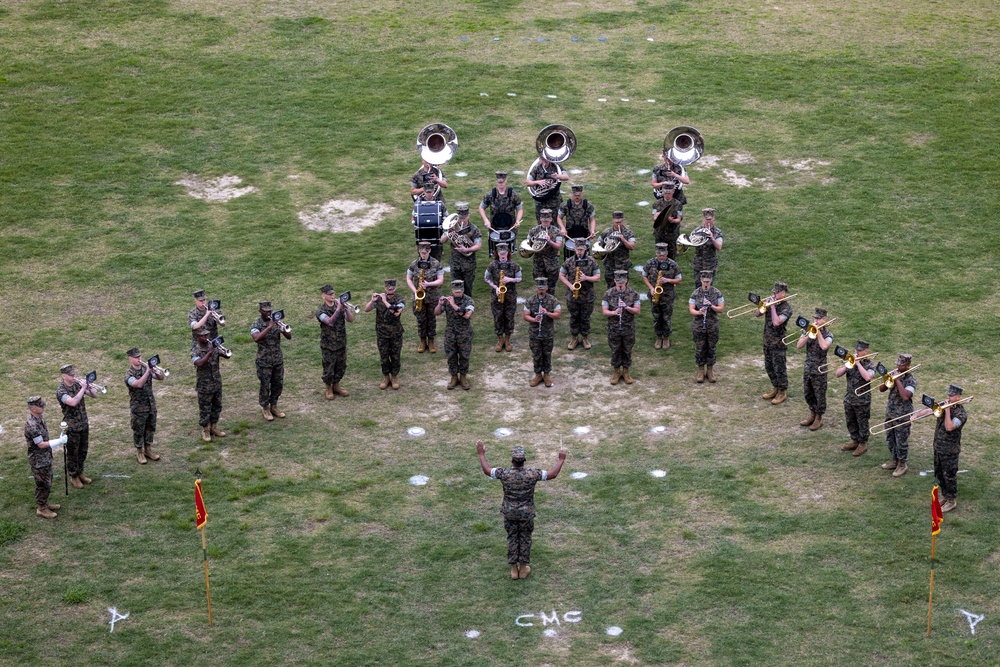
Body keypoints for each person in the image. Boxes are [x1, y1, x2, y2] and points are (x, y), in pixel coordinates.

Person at [476, 441, 566, 580]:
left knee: (512, 537)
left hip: (509, 512)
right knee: (525, 538)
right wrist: (561, 459)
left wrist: (481, 454)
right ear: (524, 460)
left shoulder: (504, 473)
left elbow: (487, 470)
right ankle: (523, 569)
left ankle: (513, 570)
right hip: (526, 513)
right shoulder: (533, 474)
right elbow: (552, 474)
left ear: (512, 461)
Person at [912, 384, 968, 512]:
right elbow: (930, 410)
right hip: (938, 446)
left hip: (950, 450)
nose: (948, 397)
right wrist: (917, 415)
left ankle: (951, 500)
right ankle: (945, 496)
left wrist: (947, 411)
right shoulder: (943, 404)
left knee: (949, 475)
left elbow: (949, 427)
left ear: (958, 397)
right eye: (948, 394)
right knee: (939, 473)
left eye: (951, 395)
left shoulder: (961, 414)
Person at [56, 364, 99, 489]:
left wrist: (89, 388)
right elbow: (73, 402)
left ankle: (80, 472)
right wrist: (82, 388)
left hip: (83, 423)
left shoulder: (77, 385)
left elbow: (94, 395)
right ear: (64, 376)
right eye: (71, 375)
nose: (74, 376)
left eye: (74, 374)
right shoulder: (61, 391)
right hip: (72, 426)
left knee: (83, 450)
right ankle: (74, 476)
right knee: (72, 453)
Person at [24, 396, 66, 519]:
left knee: (48, 481)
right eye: (40, 405)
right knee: (42, 484)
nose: (43, 407)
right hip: (38, 460)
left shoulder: (39, 419)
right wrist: (59, 441)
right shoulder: (32, 426)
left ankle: (45, 503)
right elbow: (41, 444)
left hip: (45, 457)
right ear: (33, 408)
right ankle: (41, 508)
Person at [125, 347, 167, 464]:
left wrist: (156, 371)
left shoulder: (145, 368)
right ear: (130, 359)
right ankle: (139, 452)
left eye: (140, 356)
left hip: (150, 405)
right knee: (139, 430)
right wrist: (148, 371)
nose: (139, 359)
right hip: (138, 408)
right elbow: (138, 384)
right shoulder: (129, 374)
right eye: (136, 357)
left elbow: (161, 378)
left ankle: (148, 450)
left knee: (150, 428)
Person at [251, 301, 292, 421]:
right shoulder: (256, 325)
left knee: (278, 383)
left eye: (270, 311)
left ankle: (274, 405)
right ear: (260, 311)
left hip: (277, 359)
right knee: (265, 385)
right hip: (264, 361)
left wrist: (282, 328)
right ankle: (265, 408)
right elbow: (256, 338)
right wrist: (269, 327)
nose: (268, 313)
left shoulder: (277, 322)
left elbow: (289, 336)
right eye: (265, 311)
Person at [558, 237, 601, 350]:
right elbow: (561, 275)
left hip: (587, 296)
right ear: (574, 248)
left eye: (582, 249)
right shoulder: (568, 261)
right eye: (578, 249)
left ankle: (585, 338)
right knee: (574, 317)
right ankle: (574, 337)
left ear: (586, 248)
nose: (580, 252)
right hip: (572, 296)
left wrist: (586, 278)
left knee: (585, 318)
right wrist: (570, 286)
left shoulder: (592, 262)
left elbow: (598, 278)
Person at [834, 340, 875, 456]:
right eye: (856, 350)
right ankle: (854, 440)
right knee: (850, 421)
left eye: (860, 350)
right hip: (850, 397)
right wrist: (847, 365)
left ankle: (863, 443)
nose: (857, 352)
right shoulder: (849, 360)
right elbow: (837, 374)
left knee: (862, 422)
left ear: (866, 351)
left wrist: (857, 364)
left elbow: (867, 377)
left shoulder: (870, 365)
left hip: (862, 400)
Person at [879, 353, 917, 477]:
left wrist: (898, 380)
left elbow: (906, 396)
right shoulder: (894, 374)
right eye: (897, 363)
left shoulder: (911, 380)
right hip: (891, 411)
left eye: (901, 364)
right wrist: (888, 378)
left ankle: (902, 464)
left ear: (907, 366)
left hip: (903, 414)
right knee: (890, 438)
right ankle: (894, 460)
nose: (898, 366)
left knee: (901, 440)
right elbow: (881, 389)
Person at [756, 282, 794, 404]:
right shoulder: (771, 302)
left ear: (783, 293)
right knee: (769, 366)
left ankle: (782, 392)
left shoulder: (787, 308)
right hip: (767, 340)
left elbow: (777, 322)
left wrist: (772, 307)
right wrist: (764, 306)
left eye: (776, 292)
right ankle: (775, 388)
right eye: (774, 292)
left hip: (778, 343)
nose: (774, 294)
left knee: (779, 368)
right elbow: (757, 314)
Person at [796, 308, 834, 431]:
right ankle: (812, 414)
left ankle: (819, 417)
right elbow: (799, 346)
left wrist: (818, 334)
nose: (815, 320)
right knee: (808, 392)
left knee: (819, 394)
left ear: (824, 320)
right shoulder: (807, 330)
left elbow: (824, 346)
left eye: (818, 318)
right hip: (808, 367)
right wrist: (808, 334)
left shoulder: (828, 335)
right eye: (815, 318)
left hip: (820, 369)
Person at [364, 279, 405, 390]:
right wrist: (372, 301)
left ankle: (394, 377)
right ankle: (386, 377)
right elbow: (366, 309)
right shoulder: (379, 299)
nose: (390, 290)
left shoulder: (400, 299)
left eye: (392, 288)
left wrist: (385, 300)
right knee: (384, 356)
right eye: (388, 288)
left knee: (395, 356)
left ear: (395, 288)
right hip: (382, 333)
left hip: (395, 333)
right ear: (385, 288)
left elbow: (396, 312)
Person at [602, 270, 641, 385]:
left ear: (626, 281)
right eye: (618, 282)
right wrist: (614, 312)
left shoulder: (633, 294)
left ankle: (626, 371)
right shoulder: (608, 294)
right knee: (615, 350)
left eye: (622, 283)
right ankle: (616, 371)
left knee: (627, 350)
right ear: (614, 281)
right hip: (613, 328)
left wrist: (627, 307)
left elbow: (637, 311)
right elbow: (604, 312)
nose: (620, 285)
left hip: (628, 327)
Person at [641, 243, 683, 350]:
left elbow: (679, 280)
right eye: (659, 256)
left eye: (663, 256)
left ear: (667, 254)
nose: (661, 258)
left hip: (667, 296)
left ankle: (666, 337)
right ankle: (659, 337)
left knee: (666, 318)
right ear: (656, 254)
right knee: (656, 317)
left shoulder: (673, 264)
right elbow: (644, 276)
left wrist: (668, 280)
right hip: (654, 294)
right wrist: (651, 288)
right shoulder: (650, 263)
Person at [406, 242, 445, 354]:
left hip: (432, 296)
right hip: (419, 297)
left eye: (425, 252)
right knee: (421, 319)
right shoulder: (414, 264)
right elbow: (408, 278)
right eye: (421, 252)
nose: (423, 255)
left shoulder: (436, 263)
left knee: (431, 319)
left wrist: (428, 284)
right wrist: (415, 291)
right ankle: (422, 340)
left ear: (429, 251)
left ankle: (431, 340)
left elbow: (440, 280)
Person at [316, 284, 354, 399]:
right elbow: (330, 322)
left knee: (341, 365)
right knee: (329, 367)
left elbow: (351, 320)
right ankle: (328, 388)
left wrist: (346, 309)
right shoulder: (320, 311)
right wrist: (338, 309)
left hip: (341, 341)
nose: (333, 296)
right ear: (323, 296)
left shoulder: (339, 306)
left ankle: (336, 385)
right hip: (328, 344)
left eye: (333, 293)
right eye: (330, 294)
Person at [436, 280, 475, 390]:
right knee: (451, 355)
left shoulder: (468, 300)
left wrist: (453, 304)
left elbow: (467, 315)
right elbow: (437, 313)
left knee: (464, 355)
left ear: (463, 290)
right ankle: (453, 377)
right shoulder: (447, 300)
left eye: (460, 291)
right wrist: (439, 304)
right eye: (455, 291)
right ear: (452, 290)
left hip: (464, 333)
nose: (457, 293)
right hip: (450, 333)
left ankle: (463, 377)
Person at [483, 243, 522, 352]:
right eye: (501, 254)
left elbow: (519, 279)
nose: (503, 256)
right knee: (498, 317)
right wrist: (495, 287)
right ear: (497, 254)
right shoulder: (492, 265)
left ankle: (508, 340)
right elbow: (486, 278)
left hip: (510, 295)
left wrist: (510, 279)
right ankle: (500, 340)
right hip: (497, 296)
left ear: (508, 253)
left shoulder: (514, 265)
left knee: (509, 317)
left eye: (505, 254)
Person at [523, 277, 562, 387]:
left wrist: (547, 313)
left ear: (547, 288)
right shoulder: (530, 300)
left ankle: (547, 375)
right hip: (534, 333)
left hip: (547, 332)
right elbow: (525, 316)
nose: (541, 291)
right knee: (536, 354)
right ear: (536, 289)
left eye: (543, 288)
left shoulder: (553, 300)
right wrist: (534, 319)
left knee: (547, 354)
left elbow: (558, 315)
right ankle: (538, 374)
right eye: (539, 289)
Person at [688, 271, 725, 383]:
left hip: (712, 324)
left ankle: (710, 370)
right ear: (701, 281)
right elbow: (691, 310)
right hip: (699, 325)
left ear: (711, 281)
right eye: (704, 281)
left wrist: (711, 306)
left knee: (711, 347)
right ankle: (700, 370)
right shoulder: (695, 293)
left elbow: (721, 309)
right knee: (700, 347)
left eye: (708, 282)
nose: (706, 284)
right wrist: (699, 312)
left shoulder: (717, 293)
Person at [440, 202, 482, 297]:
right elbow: (442, 241)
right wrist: (448, 232)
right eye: (460, 217)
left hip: (468, 265)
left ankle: (468, 307)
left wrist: (466, 250)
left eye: (464, 217)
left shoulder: (474, 229)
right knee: (456, 287)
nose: (462, 219)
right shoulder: (452, 227)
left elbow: (478, 246)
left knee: (467, 288)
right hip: (455, 263)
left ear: (468, 216)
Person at [479, 171, 524, 257]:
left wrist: (518, 220)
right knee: (496, 253)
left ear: (506, 180)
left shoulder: (513, 195)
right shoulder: (490, 195)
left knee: (509, 253)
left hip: (510, 228)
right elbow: (481, 208)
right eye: (499, 182)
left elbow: (520, 209)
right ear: (496, 181)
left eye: (502, 182)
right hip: (495, 229)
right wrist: (485, 220)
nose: (501, 184)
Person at [192, 327, 224, 442]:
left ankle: (213, 427)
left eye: (207, 335)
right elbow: (199, 363)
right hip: (204, 385)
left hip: (216, 382)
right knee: (205, 408)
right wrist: (210, 352)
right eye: (203, 336)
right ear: (197, 337)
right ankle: (205, 430)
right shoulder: (195, 350)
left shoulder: (213, 346)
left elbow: (226, 355)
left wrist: (223, 350)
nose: (206, 338)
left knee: (217, 406)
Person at [525, 208, 563, 292]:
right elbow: (527, 244)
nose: (545, 223)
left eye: (547, 221)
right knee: (539, 286)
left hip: (551, 263)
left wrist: (549, 241)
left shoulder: (557, 232)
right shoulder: (534, 231)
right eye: (543, 220)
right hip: (538, 263)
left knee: (551, 287)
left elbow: (558, 246)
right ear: (540, 219)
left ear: (551, 219)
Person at [596, 211, 636, 288]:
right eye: (616, 222)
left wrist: (623, 239)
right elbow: (598, 244)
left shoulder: (628, 233)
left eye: (620, 222)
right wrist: (606, 246)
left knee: (623, 287)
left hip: (622, 265)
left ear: (623, 220)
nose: (618, 224)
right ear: (613, 221)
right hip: (609, 264)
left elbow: (632, 247)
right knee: (610, 286)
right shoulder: (606, 232)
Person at [557, 184, 596, 261]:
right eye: (575, 195)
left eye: (579, 195)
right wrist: (563, 228)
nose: (577, 197)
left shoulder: (588, 205)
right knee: (570, 257)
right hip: (570, 234)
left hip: (584, 234)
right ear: (572, 194)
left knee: (584, 256)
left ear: (582, 193)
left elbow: (592, 220)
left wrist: (592, 231)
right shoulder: (566, 205)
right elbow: (559, 218)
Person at [526, 155, 568, 223]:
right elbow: (528, 182)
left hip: (554, 202)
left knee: (555, 226)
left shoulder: (556, 166)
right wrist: (537, 182)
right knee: (541, 225)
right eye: (542, 160)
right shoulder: (536, 167)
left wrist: (558, 176)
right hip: (541, 203)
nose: (543, 162)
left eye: (545, 160)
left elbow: (566, 177)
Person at [413, 182, 447, 261]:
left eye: (430, 192)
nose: (429, 194)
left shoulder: (440, 203)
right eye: (427, 192)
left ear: (434, 191)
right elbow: (414, 216)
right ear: (424, 191)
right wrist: (414, 223)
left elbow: (446, 217)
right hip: (423, 238)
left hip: (437, 237)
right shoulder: (418, 204)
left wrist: (445, 231)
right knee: (423, 260)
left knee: (436, 261)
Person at [651, 181, 684, 260]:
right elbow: (654, 217)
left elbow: (679, 219)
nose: (667, 194)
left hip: (672, 234)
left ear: (673, 191)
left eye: (669, 193)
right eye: (665, 192)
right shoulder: (656, 204)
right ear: (662, 192)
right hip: (660, 233)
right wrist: (661, 218)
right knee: (660, 255)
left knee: (672, 256)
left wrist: (672, 221)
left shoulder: (678, 204)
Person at [690, 208, 723, 285]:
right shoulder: (697, 230)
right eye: (706, 219)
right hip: (699, 263)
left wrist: (712, 238)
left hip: (710, 264)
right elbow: (691, 242)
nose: (709, 221)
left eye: (710, 219)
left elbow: (719, 247)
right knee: (698, 286)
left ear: (713, 218)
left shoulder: (717, 232)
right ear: (703, 219)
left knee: (709, 287)